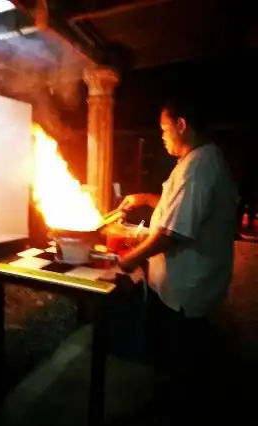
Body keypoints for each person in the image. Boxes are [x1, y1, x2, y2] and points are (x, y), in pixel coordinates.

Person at [112, 96, 237, 423]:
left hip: (185, 290)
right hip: (186, 287)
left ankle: (173, 412)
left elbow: (172, 233)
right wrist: (144, 198)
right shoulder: (200, 159)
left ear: (182, 125)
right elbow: (178, 207)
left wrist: (127, 260)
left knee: (179, 362)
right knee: (177, 357)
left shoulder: (197, 168)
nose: (163, 136)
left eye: (165, 129)